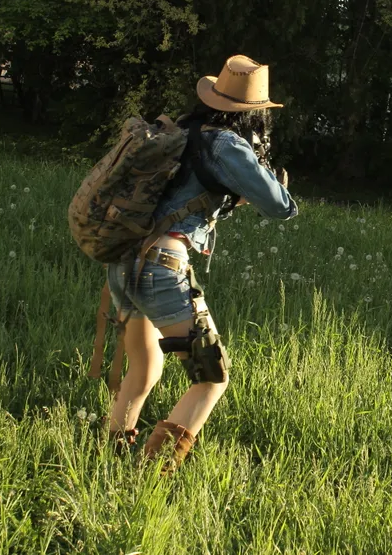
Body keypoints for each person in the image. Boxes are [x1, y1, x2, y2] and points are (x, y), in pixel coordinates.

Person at [104, 54, 297, 472]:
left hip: (124, 261)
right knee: (211, 377)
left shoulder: (183, 130)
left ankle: (108, 459)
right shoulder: (227, 144)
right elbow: (280, 207)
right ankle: (150, 477)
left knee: (144, 369)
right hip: (161, 267)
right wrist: (275, 185)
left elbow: (185, 195)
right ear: (253, 114)